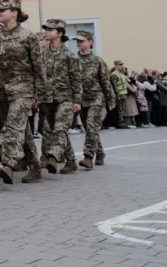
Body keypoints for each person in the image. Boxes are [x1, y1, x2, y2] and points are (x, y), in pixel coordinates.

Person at [0, 0, 44, 185]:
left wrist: (39, 93)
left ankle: (9, 164)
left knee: (12, 126)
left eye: (3, 10)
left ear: (15, 12)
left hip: (23, 89)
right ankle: (35, 166)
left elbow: (38, 65)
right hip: (2, 92)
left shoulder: (28, 36)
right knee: (22, 130)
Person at [39, 19, 82, 175]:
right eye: (46, 29)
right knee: (57, 130)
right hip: (47, 99)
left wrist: (77, 101)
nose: (47, 31)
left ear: (60, 33)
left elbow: (76, 80)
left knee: (59, 129)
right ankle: (71, 162)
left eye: (51, 29)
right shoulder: (42, 54)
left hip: (66, 98)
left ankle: (53, 156)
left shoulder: (70, 56)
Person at [72, 31, 116, 168]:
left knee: (92, 126)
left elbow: (105, 82)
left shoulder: (97, 61)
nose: (79, 43)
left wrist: (111, 100)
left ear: (90, 42)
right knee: (90, 129)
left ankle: (88, 156)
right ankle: (100, 153)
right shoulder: (73, 59)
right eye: (77, 41)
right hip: (81, 99)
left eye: (82, 40)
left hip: (97, 98)